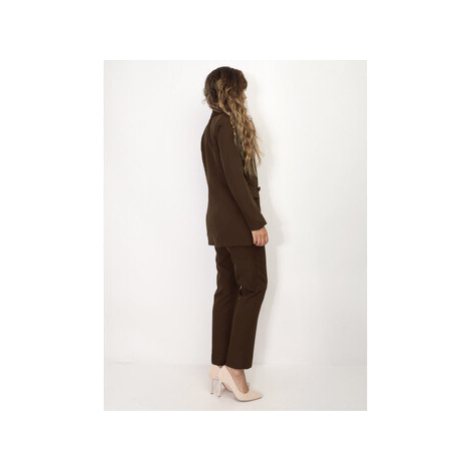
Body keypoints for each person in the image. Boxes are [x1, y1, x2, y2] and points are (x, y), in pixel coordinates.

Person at [200, 66, 269, 402]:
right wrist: (256, 221)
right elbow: (234, 178)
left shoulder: (211, 126)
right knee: (254, 286)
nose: (245, 95)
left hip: (220, 224)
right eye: (241, 89)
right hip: (239, 225)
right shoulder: (226, 124)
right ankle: (235, 368)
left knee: (227, 290)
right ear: (232, 92)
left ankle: (219, 364)